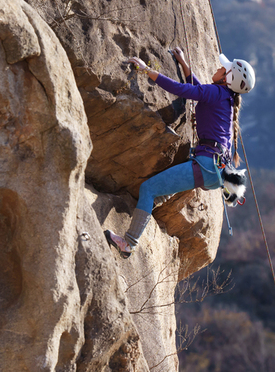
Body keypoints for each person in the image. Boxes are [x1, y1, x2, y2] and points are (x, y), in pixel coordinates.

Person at [104, 47, 256, 259]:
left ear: (227, 78)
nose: (220, 68)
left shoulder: (217, 93)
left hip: (207, 164)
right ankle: (136, 228)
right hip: (214, 169)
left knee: (148, 189)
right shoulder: (225, 97)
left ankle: (128, 244)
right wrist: (183, 63)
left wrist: (146, 69)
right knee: (157, 193)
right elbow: (197, 88)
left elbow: (184, 90)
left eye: (224, 69)